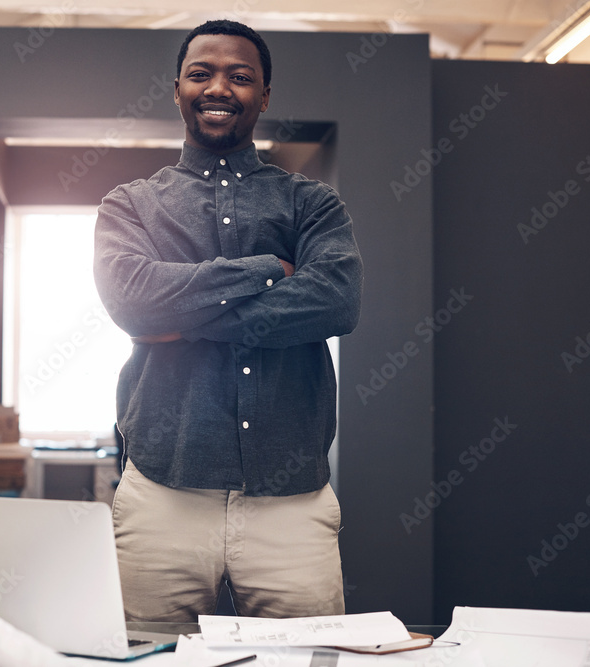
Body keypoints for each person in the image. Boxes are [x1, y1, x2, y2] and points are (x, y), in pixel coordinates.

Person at [93, 19, 363, 622]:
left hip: (292, 503)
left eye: (240, 77)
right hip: (162, 494)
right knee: (146, 663)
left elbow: (337, 300)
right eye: (201, 73)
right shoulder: (130, 205)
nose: (220, 87)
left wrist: (179, 313)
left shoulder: (312, 203)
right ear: (178, 89)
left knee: (312, 666)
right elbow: (133, 303)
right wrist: (270, 268)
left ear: (264, 97)